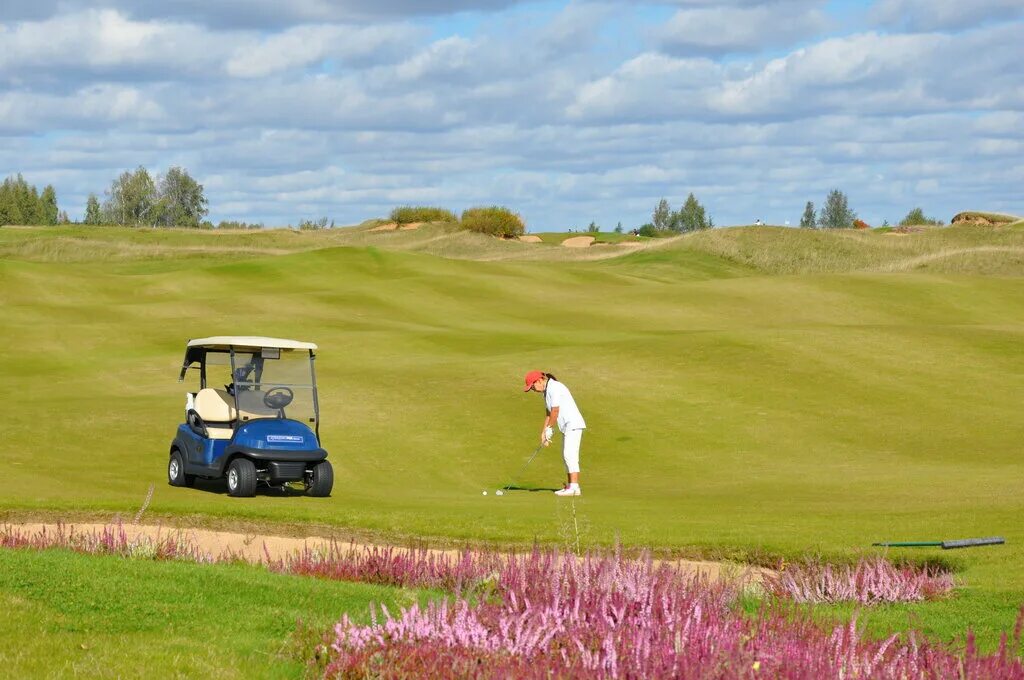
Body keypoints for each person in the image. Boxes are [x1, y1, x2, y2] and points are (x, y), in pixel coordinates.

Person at [523, 371, 587, 496]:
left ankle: (575, 488)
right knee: (566, 456)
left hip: (573, 423)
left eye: (532, 386)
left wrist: (550, 428)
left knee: (570, 455)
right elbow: (548, 413)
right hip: (566, 426)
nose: (532, 390)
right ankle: (570, 486)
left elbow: (555, 410)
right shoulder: (546, 392)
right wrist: (543, 432)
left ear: (539, 381)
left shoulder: (555, 387)